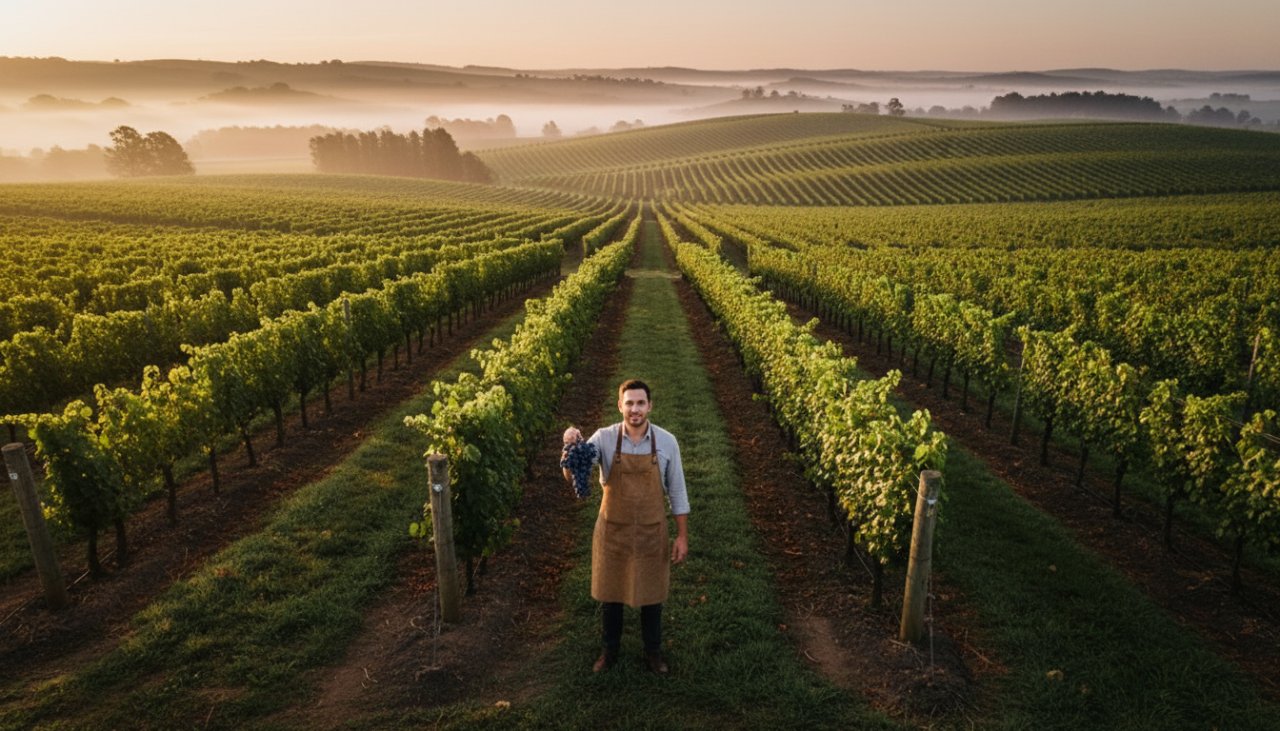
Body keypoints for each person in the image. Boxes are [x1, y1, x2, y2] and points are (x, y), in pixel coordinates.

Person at [562, 378, 689, 674]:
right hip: (613, 531)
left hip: (651, 530)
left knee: (652, 595)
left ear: (650, 406)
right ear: (620, 405)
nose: (635, 409)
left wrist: (682, 536)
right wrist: (570, 447)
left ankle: (653, 652)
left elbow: (677, 491)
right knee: (611, 594)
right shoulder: (604, 438)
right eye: (629, 403)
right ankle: (609, 650)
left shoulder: (667, 442)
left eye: (640, 403)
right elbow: (575, 472)